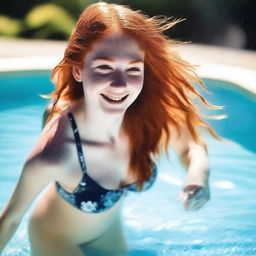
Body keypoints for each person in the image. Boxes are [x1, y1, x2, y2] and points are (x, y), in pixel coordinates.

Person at [0, 2, 224, 256]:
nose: (120, 84)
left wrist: (197, 178)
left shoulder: (142, 116)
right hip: (57, 238)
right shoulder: (57, 154)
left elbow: (191, 146)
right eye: (104, 67)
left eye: (132, 69)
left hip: (109, 232)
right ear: (78, 70)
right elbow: (9, 219)